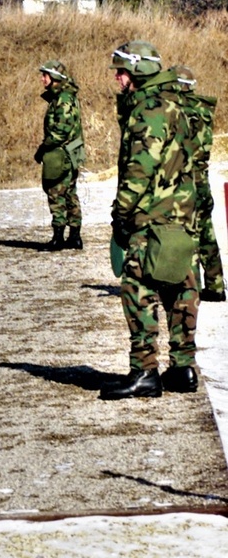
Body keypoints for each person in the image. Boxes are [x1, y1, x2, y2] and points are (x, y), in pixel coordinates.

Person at [102, 41, 200, 400]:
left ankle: (145, 372)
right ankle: (183, 369)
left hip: (152, 219)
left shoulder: (149, 110)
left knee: (137, 289)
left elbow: (139, 169)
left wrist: (121, 213)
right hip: (181, 215)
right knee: (181, 288)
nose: (117, 76)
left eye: (122, 70)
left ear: (139, 70)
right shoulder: (176, 104)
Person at [171, 64, 225, 303]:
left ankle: (193, 287)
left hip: (186, 182)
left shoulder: (180, 112)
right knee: (207, 234)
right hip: (202, 180)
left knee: (188, 235)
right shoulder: (203, 110)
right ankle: (216, 285)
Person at [34, 60, 86, 250]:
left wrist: (43, 147)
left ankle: (59, 238)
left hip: (61, 154)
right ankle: (74, 236)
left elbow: (60, 131)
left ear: (54, 78)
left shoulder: (63, 99)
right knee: (70, 194)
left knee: (56, 193)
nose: (42, 79)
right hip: (69, 153)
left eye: (44, 76)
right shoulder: (64, 97)